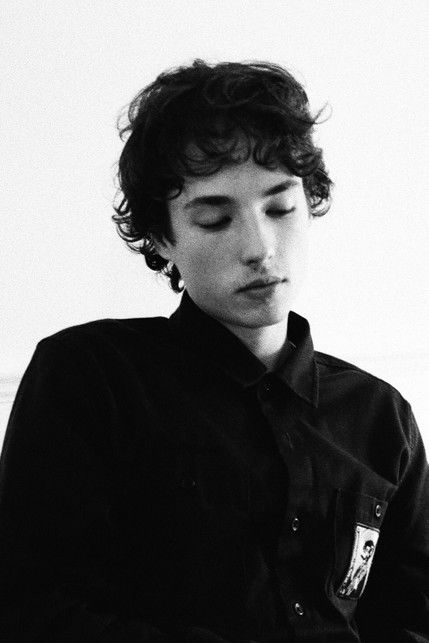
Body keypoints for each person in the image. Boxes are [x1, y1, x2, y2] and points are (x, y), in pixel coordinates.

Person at [0, 59, 428, 642]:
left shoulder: (381, 416)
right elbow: (30, 610)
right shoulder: (91, 378)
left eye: (280, 208)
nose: (259, 248)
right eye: (215, 219)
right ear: (161, 238)